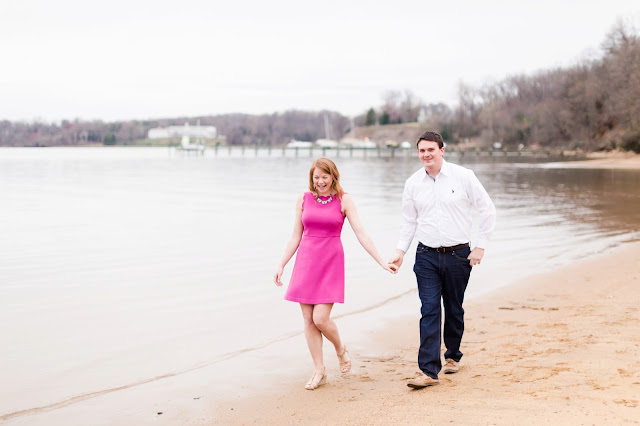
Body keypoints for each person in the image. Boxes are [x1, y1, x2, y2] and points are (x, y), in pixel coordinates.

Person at [274, 157, 397, 390]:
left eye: (324, 177)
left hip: (330, 262)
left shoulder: (344, 200)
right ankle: (319, 370)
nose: (320, 182)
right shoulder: (303, 199)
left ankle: (340, 348)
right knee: (309, 320)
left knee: (321, 318)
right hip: (306, 261)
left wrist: (381, 261)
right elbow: (295, 235)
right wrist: (281, 264)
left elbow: (361, 233)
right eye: (316, 177)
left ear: (333, 176)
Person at [388, 131, 496, 389]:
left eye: (431, 150)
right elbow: (409, 221)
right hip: (426, 256)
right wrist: (400, 252)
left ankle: (452, 355)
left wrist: (480, 247)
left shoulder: (463, 176)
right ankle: (428, 371)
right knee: (430, 310)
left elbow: (487, 210)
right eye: (422, 151)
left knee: (454, 308)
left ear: (442, 150)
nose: (426, 155)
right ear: (418, 153)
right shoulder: (412, 183)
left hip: (459, 255)